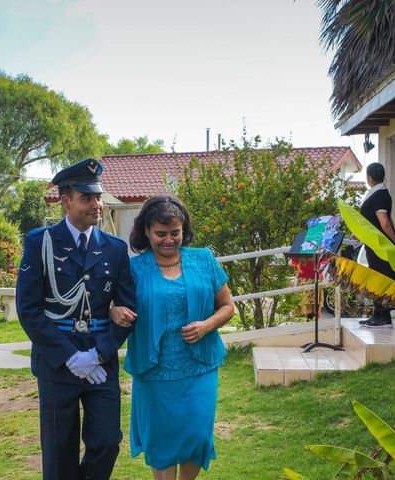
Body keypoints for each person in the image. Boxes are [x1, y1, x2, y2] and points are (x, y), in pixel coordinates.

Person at [16, 158, 136, 480]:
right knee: (59, 450)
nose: (96, 205)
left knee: (108, 441)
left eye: (98, 197)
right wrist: (70, 357)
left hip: (101, 360)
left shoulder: (113, 248)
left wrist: (98, 354)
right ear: (66, 202)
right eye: (87, 198)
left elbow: (126, 310)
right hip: (58, 362)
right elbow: (28, 310)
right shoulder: (40, 243)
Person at [110, 195, 234, 480]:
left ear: (183, 230)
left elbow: (228, 306)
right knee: (162, 439)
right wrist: (114, 310)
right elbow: (110, 303)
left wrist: (206, 325)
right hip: (154, 371)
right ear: (146, 231)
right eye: (160, 234)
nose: (168, 240)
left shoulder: (204, 259)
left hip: (199, 367)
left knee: (196, 435)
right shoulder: (133, 268)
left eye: (175, 233)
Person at [359, 162, 395, 328]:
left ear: (368, 177)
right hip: (374, 245)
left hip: (380, 246)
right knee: (378, 277)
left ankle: (383, 315)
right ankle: (378, 313)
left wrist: (394, 239)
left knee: (382, 278)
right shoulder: (378, 193)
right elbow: (384, 220)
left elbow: (384, 223)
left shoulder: (379, 195)